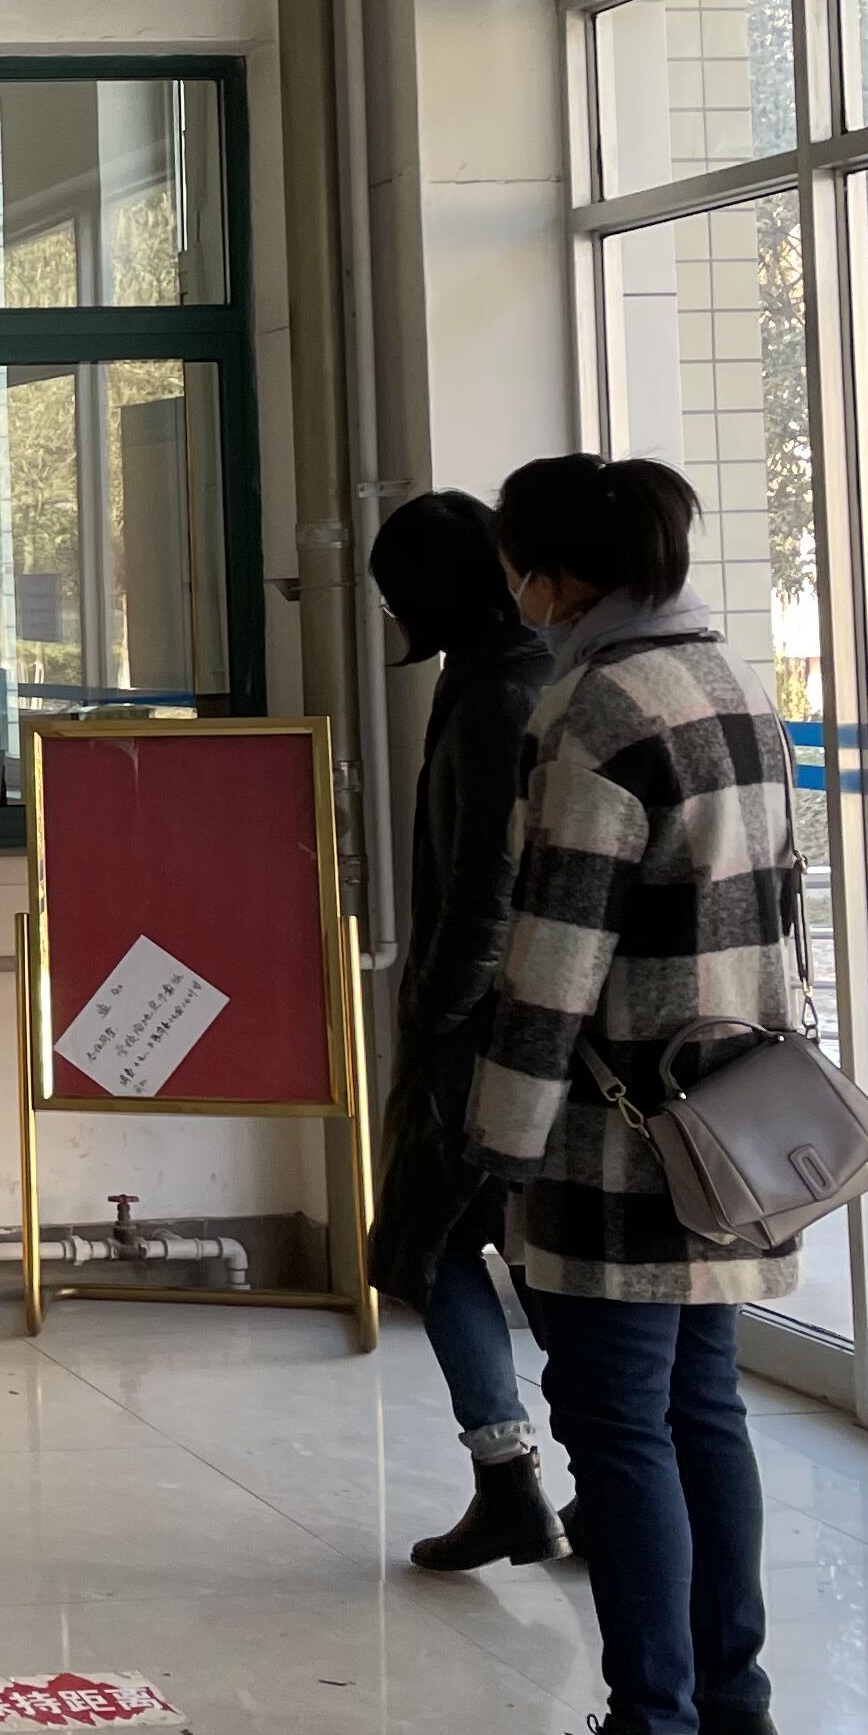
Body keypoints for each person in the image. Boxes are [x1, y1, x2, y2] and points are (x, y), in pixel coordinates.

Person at [471, 453, 802, 1735]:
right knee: (703, 1409)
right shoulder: (733, 685)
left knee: (617, 1429)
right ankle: (735, 1709)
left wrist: (496, 1143)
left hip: (616, 1139)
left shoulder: (593, 714)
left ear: (555, 578)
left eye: (520, 571)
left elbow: (553, 963)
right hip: (727, 1123)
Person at [361, 490, 566, 1572]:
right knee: (517, 1250)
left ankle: (510, 1479)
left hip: (479, 1031)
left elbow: (485, 887)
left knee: (433, 1244)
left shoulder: (497, 694)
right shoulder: (514, 669)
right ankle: (592, 1483)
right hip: (522, 1023)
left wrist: (434, 1008)